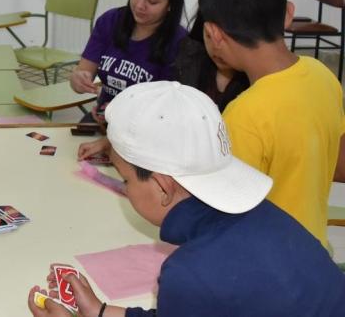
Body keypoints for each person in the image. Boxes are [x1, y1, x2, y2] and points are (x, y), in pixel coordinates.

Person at [27, 82, 345, 317]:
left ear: (162, 187)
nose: (125, 190)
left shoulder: (190, 273)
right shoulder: (265, 215)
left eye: (125, 179)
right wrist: (99, 312)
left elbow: (195, 296)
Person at [200, 0, 345, 247]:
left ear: (214, 34)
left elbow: (225, 216)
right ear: (288, 13)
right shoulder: (324, 76)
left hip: (265, 264)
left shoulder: (243, 115)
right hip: (314, 253)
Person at [72, 0, 187, 160]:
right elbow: (82, 76)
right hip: (102, 121)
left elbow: (165, 115)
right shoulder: (110, 21)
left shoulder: (179, 43)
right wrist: (77, 80)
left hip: (144, 136)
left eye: (152, 1)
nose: (140, 5)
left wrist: (113, 134)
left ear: (171, 5)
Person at [173, 11, 249, 112]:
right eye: (209, 36)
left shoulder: (257, 79)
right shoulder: (189, 58)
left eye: (229, 38)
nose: (217, 48)